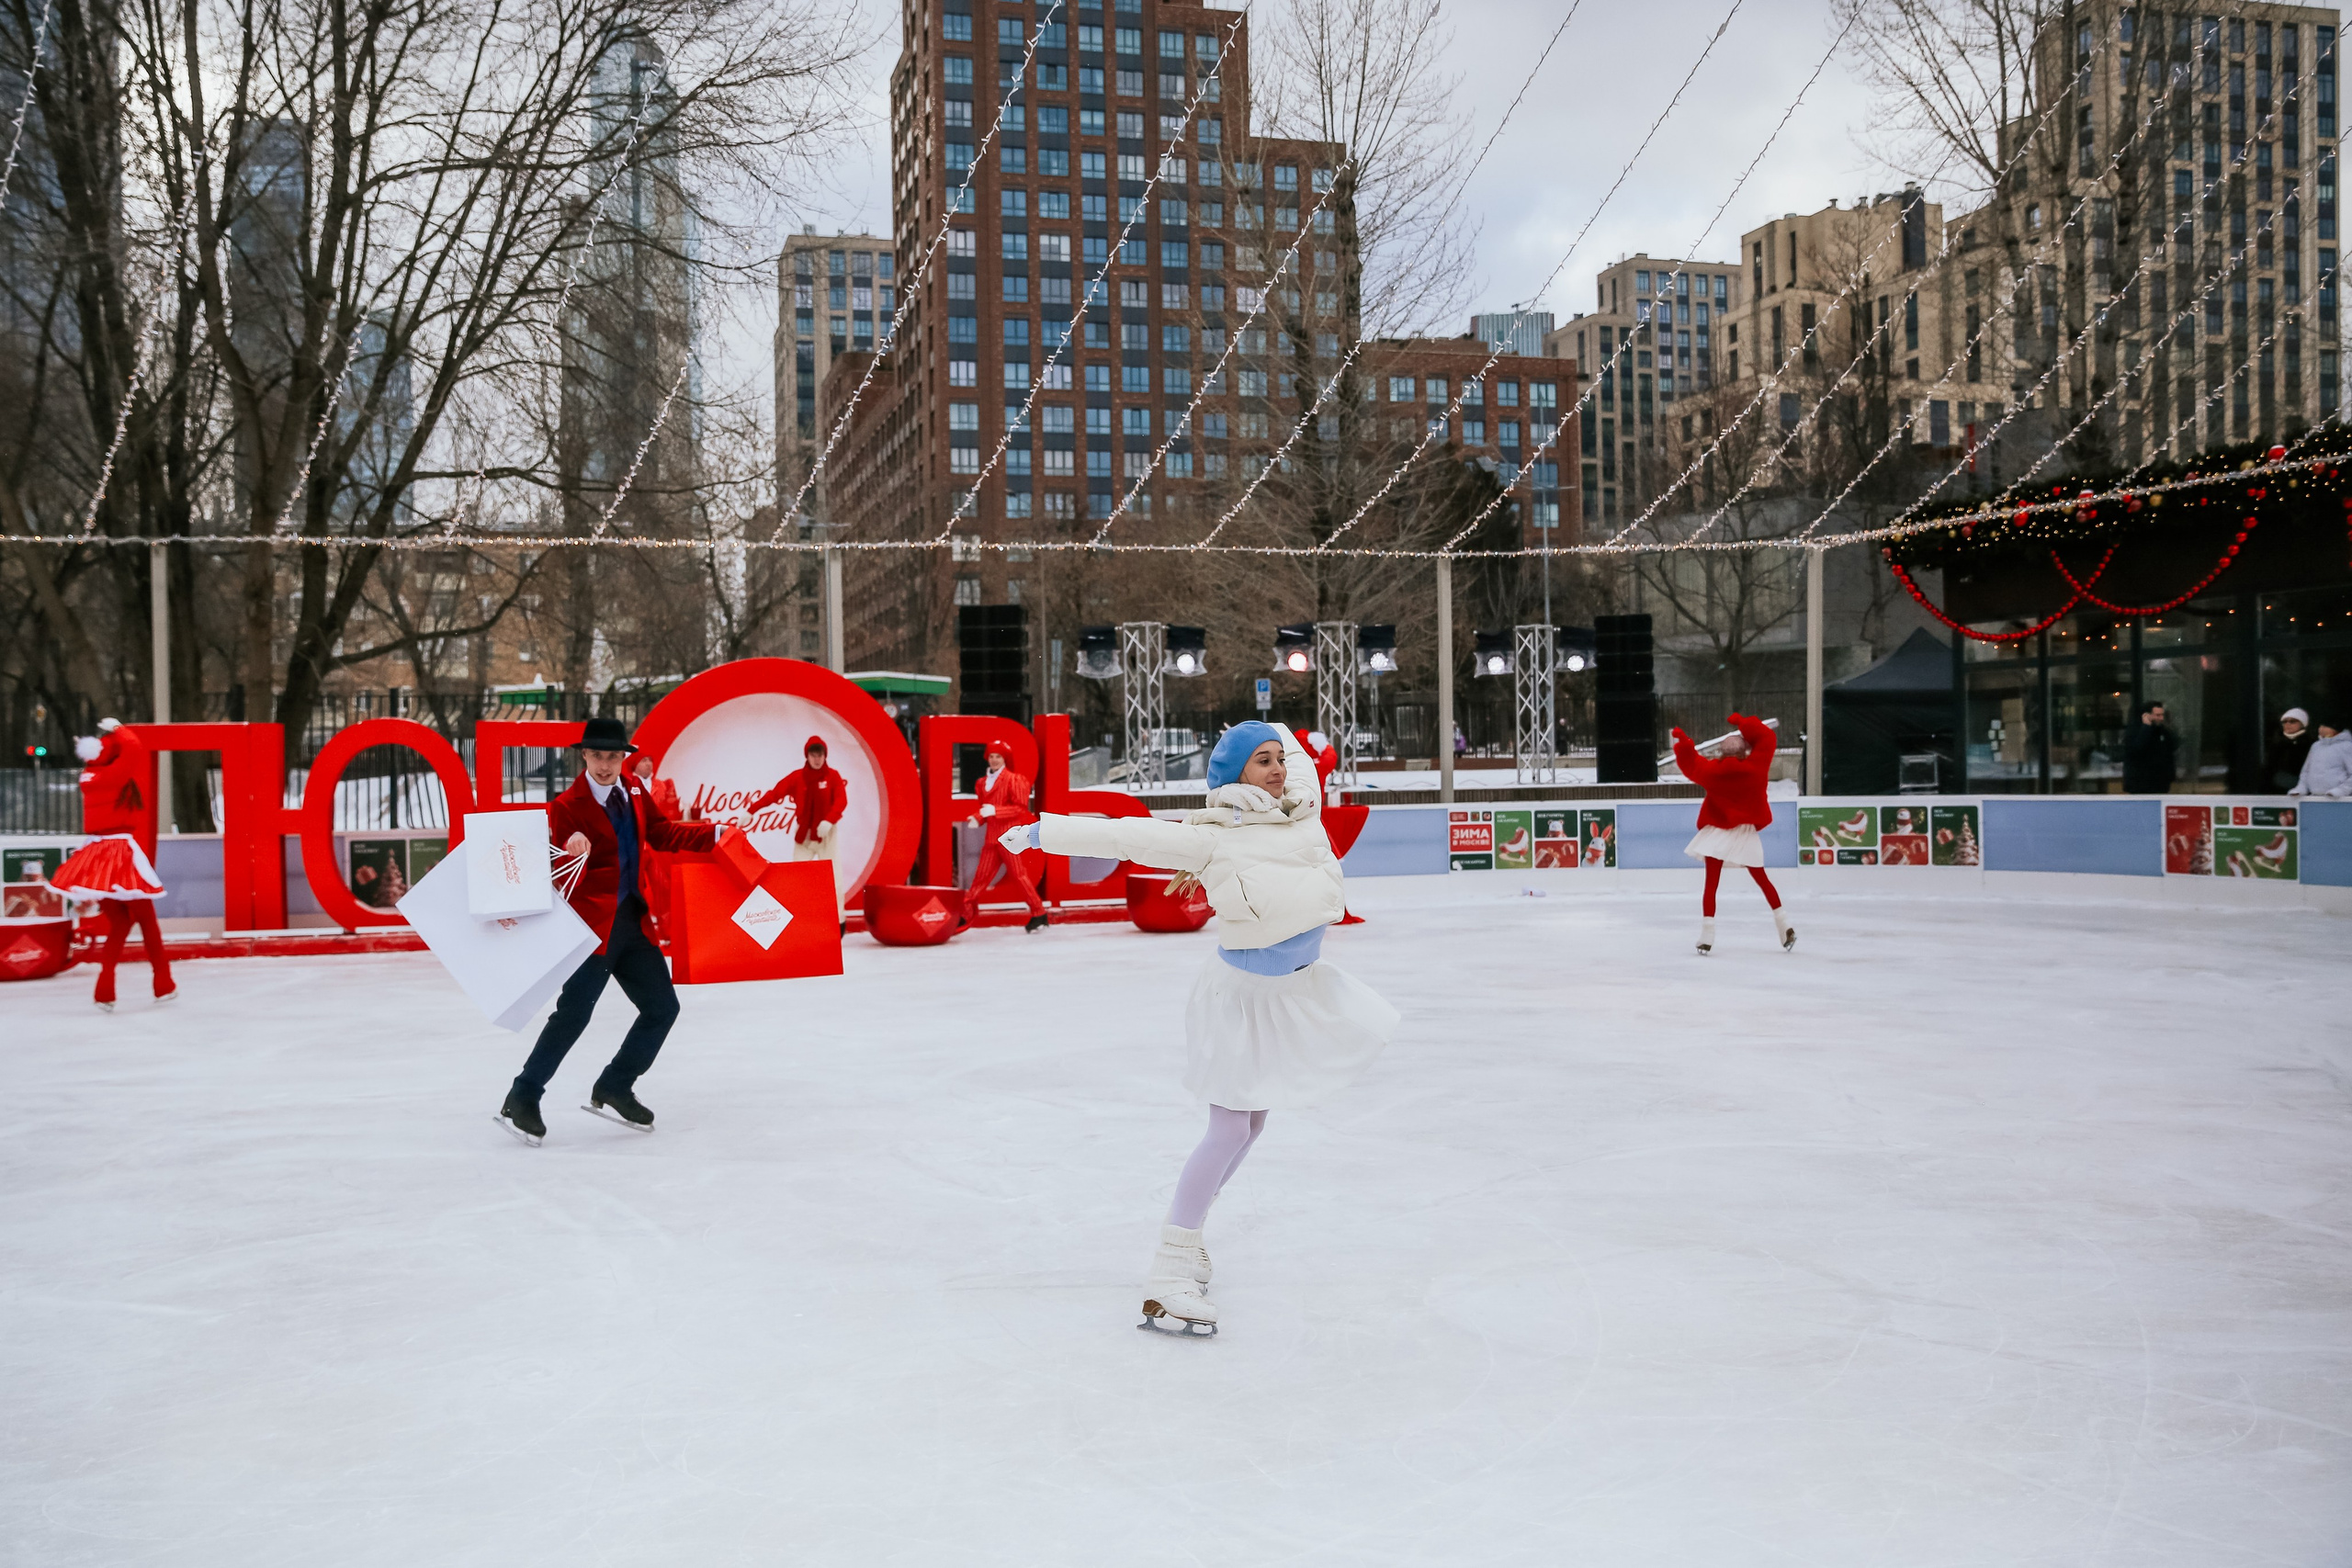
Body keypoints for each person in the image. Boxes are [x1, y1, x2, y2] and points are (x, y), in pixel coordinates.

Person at [1004, 722, 1400, 1336]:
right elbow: (1126, 834)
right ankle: (1169, 1267)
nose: (1275, 768)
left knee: (1254, 1122)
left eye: (1279, 758)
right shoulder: (1211, 837)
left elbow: (1294, 760)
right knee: (1229, 1127)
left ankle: (1190, 1239)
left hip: (1290, 994)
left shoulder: (1302, 815)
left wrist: (1275, 738)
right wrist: (1043, 830)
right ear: (1235, 773)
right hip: (1238, 1001)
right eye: (1261, 760)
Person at [498, 716, 718, 1145]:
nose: (604, 764)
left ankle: (615, 1084)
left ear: (624, 758)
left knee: (662, 1009)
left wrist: (716, 834)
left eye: (613, 756)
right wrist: (571, 844)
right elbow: (561, 863)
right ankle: (523, 1095)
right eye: (597, 755)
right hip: (592, 930)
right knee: (574, 1015)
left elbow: (659, 832)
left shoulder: (634, 789)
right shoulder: (567, 806)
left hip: (633, 923)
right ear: (583, 755)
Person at [51, 718, 175, 1010]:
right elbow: (133, 751)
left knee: (119, 921)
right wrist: (119, 729)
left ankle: (105, 987)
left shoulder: (88, 777)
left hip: (95, 853)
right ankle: (163, 982)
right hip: (119, 852)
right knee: (147, 920)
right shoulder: (114, 776)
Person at [1671, 714, 1792, 955]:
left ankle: (1707, 935)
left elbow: (1691, 764)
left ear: (1721, 754)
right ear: (1744, 751)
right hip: (1745, 833)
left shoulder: (1712, 772)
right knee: (1763, 880)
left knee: (1711, 885)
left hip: (1717, 833)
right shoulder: (1755, 768)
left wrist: (1684, 742)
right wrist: (1743, 723)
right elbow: (1767, 738)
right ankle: (1784, 925)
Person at [745, 736, 848, 928]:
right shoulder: (797, 778)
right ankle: (798, 920)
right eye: (813, 755)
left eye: (820, 755)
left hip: (827, 833)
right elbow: (774, 794)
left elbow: (841, 801)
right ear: (807, 756)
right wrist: (751, 810)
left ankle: (839, 921)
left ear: (826, 756)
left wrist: (829, 820)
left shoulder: (832, 776)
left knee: (834, 878)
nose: (817, 759)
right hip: (805, 834)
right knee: (797, 878)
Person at [959, 739, 1046, 932]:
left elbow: (1019, 808)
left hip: (1009, 838)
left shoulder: (1014, 780)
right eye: (991, 756)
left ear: (1004, 758)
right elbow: (984, 809)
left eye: (998, 756)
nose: (994, 760)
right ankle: (964, 913)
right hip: (992, 838)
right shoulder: (981, 783)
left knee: (1019, 875)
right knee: (980, 878)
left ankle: (1039, 912)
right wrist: (978, 818)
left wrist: (995, 812)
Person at [2121, 700, 2178, 793]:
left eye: (2162, 715)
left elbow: (2170, 753)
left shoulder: (2163, 732)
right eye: (2157, 715)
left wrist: (2170, 776)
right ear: (2147, 715)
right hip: (2140, 785)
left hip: (2160, 784)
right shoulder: (2134, 731)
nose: (2161, 718)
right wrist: (2146, 728)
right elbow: (2136, 749)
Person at [2291, 716, 2352, 796]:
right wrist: (2301, 788)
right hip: (2315, 797)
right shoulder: (2316, 746)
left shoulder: (2347, 747)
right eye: (2320, 726)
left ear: (2335, 729)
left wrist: (2341, 791)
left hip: (2339, 799)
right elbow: (2306, 771)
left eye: (2325, 726)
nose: (2321, 729)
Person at [2267, 708, 2317, 794]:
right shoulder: (2276, 743)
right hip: (2276, 792)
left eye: (2292, 721)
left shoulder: (2312, 744)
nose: (2288, 724)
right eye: (2284, 722)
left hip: (2304, 791)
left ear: (2302, 724)